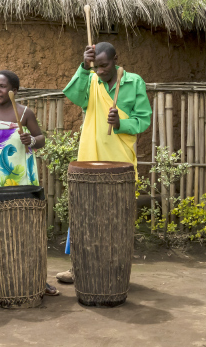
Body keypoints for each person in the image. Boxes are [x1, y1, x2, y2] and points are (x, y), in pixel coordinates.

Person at [56, 42, 151, 284]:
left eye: (104, 65)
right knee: (84, 214)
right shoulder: (90, 80)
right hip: (90, 157)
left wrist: (121, 123)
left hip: (120, 160)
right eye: (96, 66)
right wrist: (82, 65)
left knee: (116, 218)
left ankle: (115, 271)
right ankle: (79, 269)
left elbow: (143, 120)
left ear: (116, 59)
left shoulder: (134, 82)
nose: (100, 71)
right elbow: (74, 96)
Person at [0, 70, 60, 296]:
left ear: (14, 91)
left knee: (24, 226)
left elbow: (41, 140)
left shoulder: (25, 113)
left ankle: (36, 276)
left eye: (2, 86)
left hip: (21, 180)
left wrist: (32, 140)